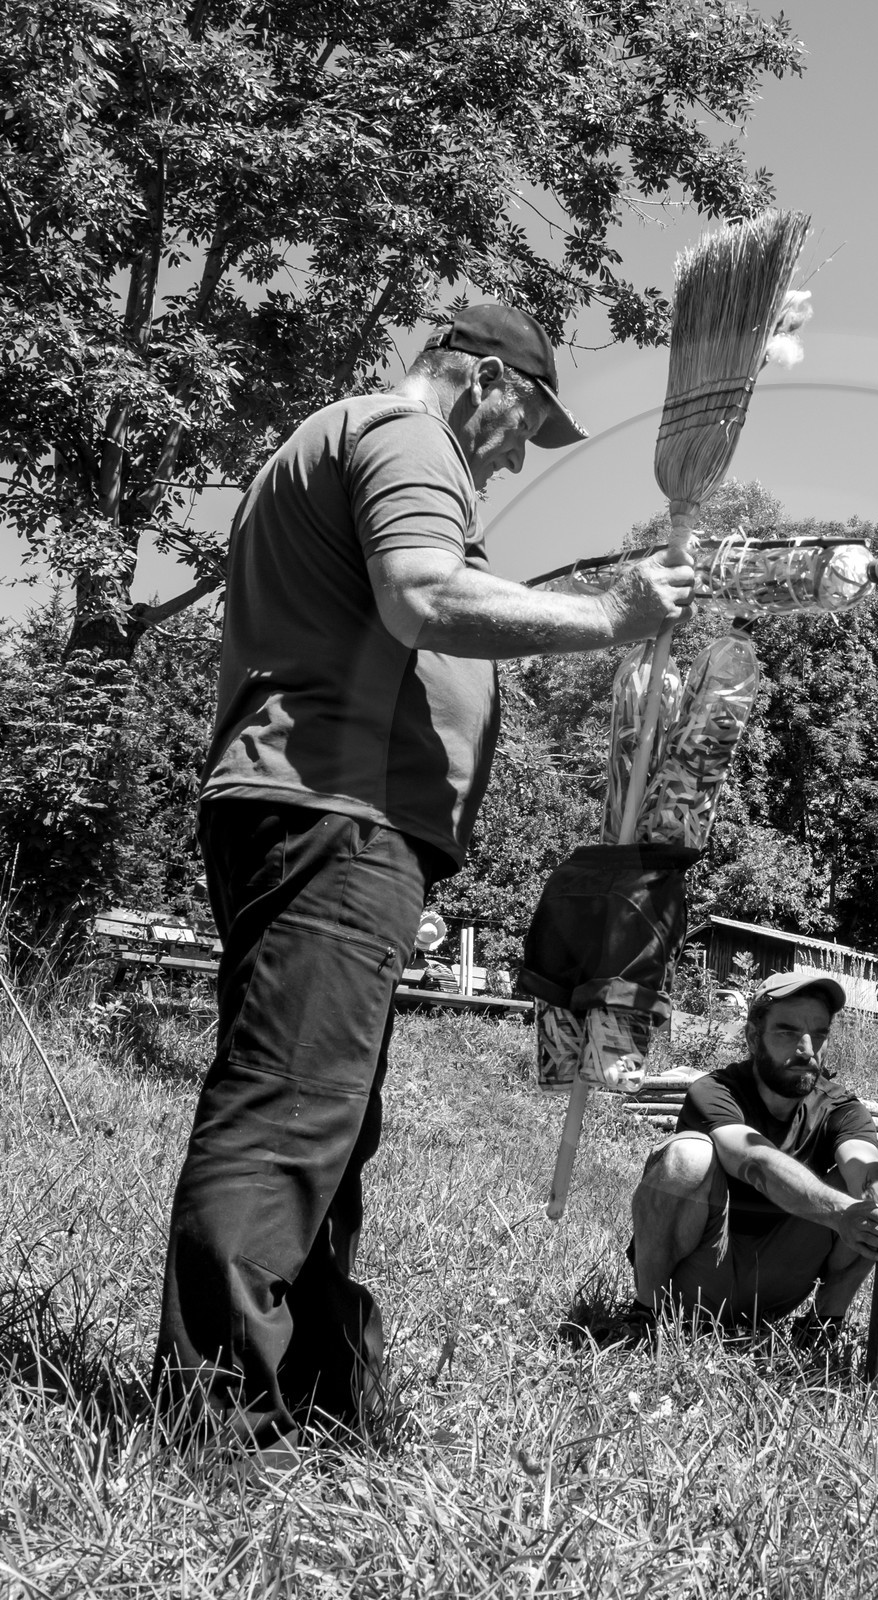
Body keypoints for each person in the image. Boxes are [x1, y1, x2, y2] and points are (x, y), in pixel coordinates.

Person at [154, 303, 694, 1452]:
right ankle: (214, 1422)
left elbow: (423, 606)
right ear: (483, 380)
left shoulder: (358, 443)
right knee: (291, 1112)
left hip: (329, 812)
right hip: (330, 808)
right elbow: (423, 596)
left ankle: (311, 1390)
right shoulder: (408, 441)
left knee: (328, 1119)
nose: (510, 458)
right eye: (523, 427)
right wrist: (606, 614)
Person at [624, 972, 878, 1340]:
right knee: (687, 1156)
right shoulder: (717, 1092)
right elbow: (754, 1161)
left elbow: (863, 1165)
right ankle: (647, 1315)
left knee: (874, 1189)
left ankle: (824, 1325)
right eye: (787, 1032)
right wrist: (841, 1213)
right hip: (697, 1280)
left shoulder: (841, 1108)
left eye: (819, 1033)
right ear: (753, 1037)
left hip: (779, 1284)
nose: (807, 1048)